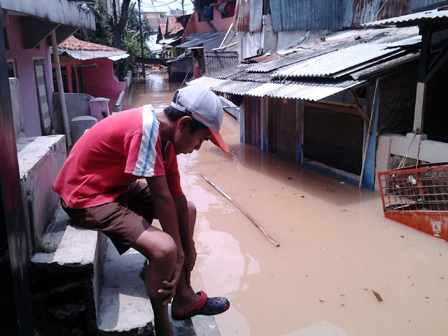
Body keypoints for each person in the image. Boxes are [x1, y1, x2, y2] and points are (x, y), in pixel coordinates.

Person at [53, 86, 231, 336]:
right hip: (86, 196)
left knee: (188, 211)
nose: (198, 148)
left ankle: (183, 299)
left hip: (116, 188)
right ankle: (162, 324)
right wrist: (179, 252)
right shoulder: (145, 129)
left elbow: (176, 196)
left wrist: (189, 246)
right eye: (201, 139)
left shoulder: (165, 139)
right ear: (184, 123)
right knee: (165, 249)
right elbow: (161, 198)